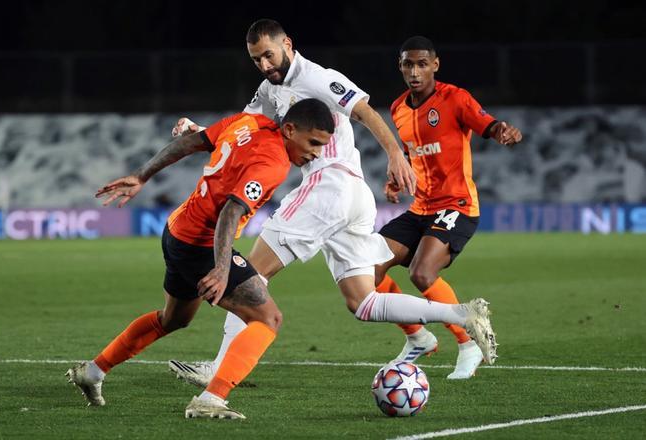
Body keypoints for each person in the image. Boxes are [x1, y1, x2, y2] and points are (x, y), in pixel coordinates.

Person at [168, 19, 497, 389]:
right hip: (350, 196)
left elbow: (365, 111)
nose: (264, 64)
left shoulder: (318, 78)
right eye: (256, 59)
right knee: (362, 301)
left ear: (287, 44)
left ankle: (219, 369)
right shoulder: (268, 89)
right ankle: (461, 315)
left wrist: (395, 155)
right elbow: (242, 129)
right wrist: (200, 132)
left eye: (269, 55)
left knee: (250, 276)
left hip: (330, 185)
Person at [65, 98, 335, 420]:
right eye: (314, 143)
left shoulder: (246, 123)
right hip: (201, 245)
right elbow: (230, 212)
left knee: (174, 319)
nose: (316, 152)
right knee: (267, 318)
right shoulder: (273, 162)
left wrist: (142, 175)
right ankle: (211, 400)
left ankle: (93, 371)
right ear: (290, 129)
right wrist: (222, 269)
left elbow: (191, 142)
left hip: (177, 230)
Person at [375, 36, 523, 379]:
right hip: (421, 207)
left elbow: (489, 124)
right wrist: (397, 180)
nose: (415, 71)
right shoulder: (397, 108)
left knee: (421, 273)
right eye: (408, 64)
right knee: (367, 268)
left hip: (457, 205)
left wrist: (504, 132)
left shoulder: (455, 98)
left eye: (422, 64)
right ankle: (418, 338)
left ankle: (468, 344)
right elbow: (413, 154)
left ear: (435, 65)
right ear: (400, 67)